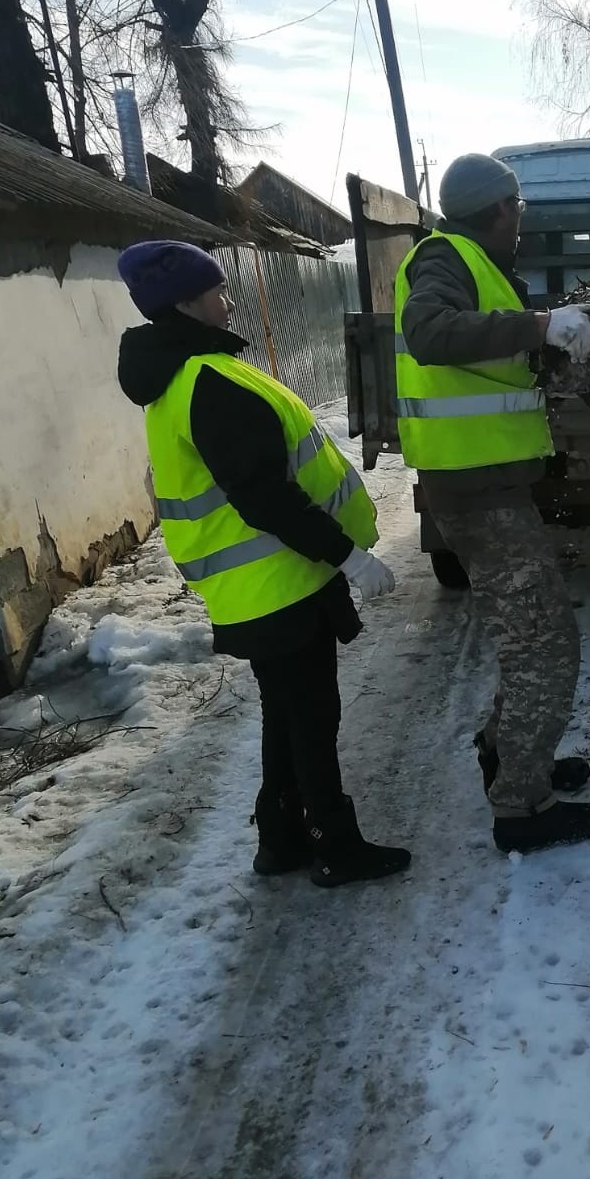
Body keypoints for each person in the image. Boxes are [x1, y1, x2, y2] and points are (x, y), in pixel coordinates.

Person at [116, 240, 412, 885]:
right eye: (217, 290)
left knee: (287, 714)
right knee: (311, 718)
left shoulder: (190, 373)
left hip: (266, 583)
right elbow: (264, 495)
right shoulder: (208, 381)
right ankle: (335, 845)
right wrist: (349, 557)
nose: (228, 300)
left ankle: (280, 839)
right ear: (186, 301)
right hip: (277, 580)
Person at [397, 152, 590, 853]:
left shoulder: (466, 258)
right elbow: (429, 334)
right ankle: (521, 806)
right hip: (475, 490)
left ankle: (512, 756)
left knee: (531, 637)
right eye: (515, 209)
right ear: (497, 209)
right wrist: (538, 328)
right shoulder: (445, 257)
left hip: (483, 483)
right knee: (546, 644)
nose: (520, 221)